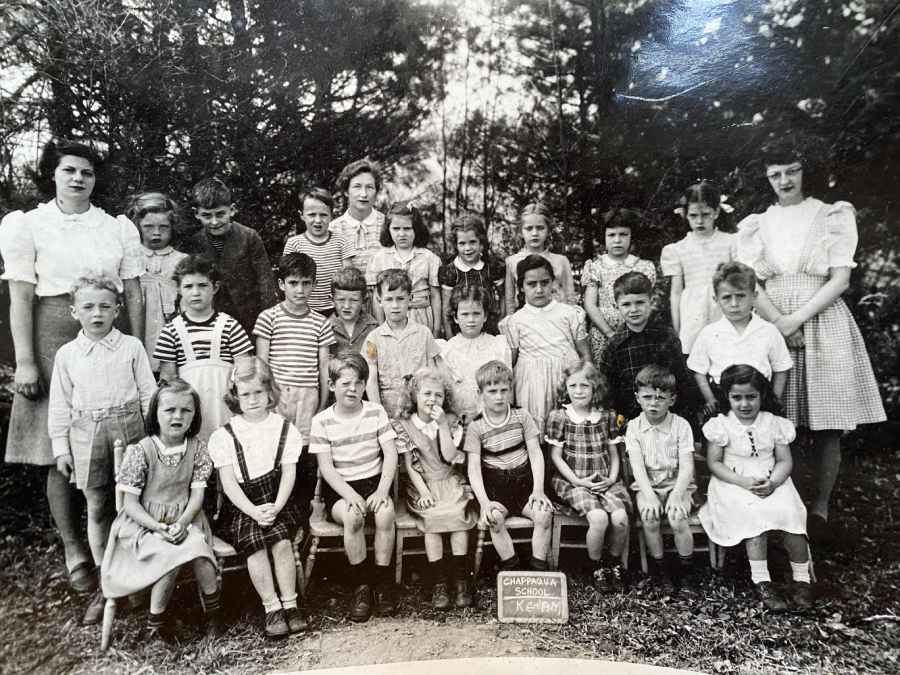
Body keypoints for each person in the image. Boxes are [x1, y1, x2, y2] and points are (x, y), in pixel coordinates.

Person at [0, 139, 144, 596]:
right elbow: (20, 297)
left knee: (118, 444)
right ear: (54, 175)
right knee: (58, 449)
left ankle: (124, 546)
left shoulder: (115, 227)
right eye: (69, 170)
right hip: (50, 335)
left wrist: (135, 348)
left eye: (86, 172)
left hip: (110, 331)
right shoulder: (28, 225)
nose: (79, 178)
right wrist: (26, 361)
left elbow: (134, 294)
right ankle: (74, 549)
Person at [735, 142, 885, 540]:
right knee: (780, 420)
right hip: (772, 321)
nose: (784, 181)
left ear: (805, 172)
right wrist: (780, 322)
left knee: (828, 423)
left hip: (823, 321)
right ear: (766, 178)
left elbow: (840, 278)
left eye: (792, 171)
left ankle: (820, 510)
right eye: (775, 174)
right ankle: (785, 508)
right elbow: (752, 283)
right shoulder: (756, 224)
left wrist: (797, 319)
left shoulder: (832, 215)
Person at [48, 275, 156, 624]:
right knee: (97, 507)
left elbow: (148, 395)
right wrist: (61, 448)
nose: (97, 314)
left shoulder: (131, 347)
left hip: (130, 428)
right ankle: (106, 582)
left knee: (132, 504)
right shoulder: (67, 355)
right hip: (87, 433)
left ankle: (136, 577)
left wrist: (153, 437)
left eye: (105, 306)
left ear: (118, 309)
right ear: (74, 311)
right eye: (88, 307)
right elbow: (60, 406)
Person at [101, 379, 220, 641]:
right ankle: (154, 627)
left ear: (195, 416)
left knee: (200, 553)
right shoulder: (141, 451)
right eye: (169, 410)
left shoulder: (197, 449)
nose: (177, 416)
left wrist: (183, 522)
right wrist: (157, 528)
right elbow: (129, 504)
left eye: (186, 411)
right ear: (155, 413)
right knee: (169, 557)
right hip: (143, 524)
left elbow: (197, 496)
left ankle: (213, 617)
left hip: (184, 520)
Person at [699, 365, 812, 611]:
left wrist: (773, 483)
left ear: (762, 395)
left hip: (771, 478)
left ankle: (802, 580)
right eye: (736, 398)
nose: (744, 404)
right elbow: (714, 464)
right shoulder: (721, 425)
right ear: (726, 397)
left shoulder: (774, 423)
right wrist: (743, 482)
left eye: (751, 397)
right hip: (732, 481)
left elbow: (784, 461)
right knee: (754, 514)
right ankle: (762, 580)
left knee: (791, 512)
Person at [210, 357, 306, 638]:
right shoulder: (225, 435)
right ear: (235, 397)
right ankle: (271, 607)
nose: (252, 400)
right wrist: (253, 511)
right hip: (242, 505)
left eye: (258, 393)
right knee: (255, 544)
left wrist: (276, 506)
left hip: (277, 500)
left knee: (281, 540)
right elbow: (228, 483)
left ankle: (291, 604)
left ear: (269, 393)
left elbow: (288, 474)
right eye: (245, 394)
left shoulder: (284, 429)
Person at [308, 352, 402, 622]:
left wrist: (382, 491)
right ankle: (361, 585)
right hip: (340, 489)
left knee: (385, 513)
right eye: (346, 383)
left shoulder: (375, 412)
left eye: (359, 383)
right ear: (331, 385)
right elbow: (326, 468)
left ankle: (383, 584)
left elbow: (391, 454)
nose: (353, 389)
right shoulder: (322, 421)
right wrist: (349, 495)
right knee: (353, 517)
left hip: (373, 483)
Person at [393, 368, 477, 610]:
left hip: (449, 480)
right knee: (432, 518)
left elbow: (450, 457)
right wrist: (424, 492)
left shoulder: (450, 422)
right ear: (414, 397)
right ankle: (439, 583)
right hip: (423, 485)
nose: (432, 400)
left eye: (438, 395)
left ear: (445, 399)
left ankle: (461, 579)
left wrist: (441, 426)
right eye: (426, 394)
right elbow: (411, 466)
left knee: (457, 515)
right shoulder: (404, 426)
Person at [547, 362, 631, 593]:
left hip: (605, 478)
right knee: (599, 518)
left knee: (621, 518)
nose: (578, 390)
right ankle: (596, 567)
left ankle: (612, 563)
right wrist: (577, 481)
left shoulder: (607, 416)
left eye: (585, 385)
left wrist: (612, 478)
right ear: (565, 388)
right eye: (572, 385)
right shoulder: (559, 417)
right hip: (572, 481)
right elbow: (556, 457)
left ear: (596, 388)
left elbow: (614, 453)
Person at [464, 361, 554, 572]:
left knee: (543, 514)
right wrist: (485, 502)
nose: (499, 396)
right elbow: (474, 469)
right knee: (494, 518)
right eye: (492, 391)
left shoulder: (521, 416)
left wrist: (538, 490)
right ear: (480, 393)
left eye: (504, 390)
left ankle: (538, 568)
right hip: (496, 487)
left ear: (511, 390)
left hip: (525, 484)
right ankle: (511, 568)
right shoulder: (476, 426)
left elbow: (535, 452)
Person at [154, 255, 254, 443]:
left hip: (225, 405)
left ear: (215, 287)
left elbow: (245, 369)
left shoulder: (230, 325)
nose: (196, 292)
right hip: (189, 407)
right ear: (178, 289)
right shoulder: (171, 331)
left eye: (202, 285)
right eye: (188, 287)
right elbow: (167, 380)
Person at [625, 366, 697, 595]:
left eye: (661, 398)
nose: (653, 404)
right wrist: (648, 496)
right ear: (638, 398)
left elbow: (687, 467)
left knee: (677, 518)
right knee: (649, 516)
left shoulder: (681, 425)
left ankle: (686, 571)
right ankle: (660, 569)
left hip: (677, 485)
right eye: (647, 397)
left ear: (672, 400)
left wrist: (676, 496)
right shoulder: (634, 427)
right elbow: (636, 467)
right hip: (648, 486)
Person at [500, 255, 591, 434]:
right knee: (537, 433)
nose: (539, 289)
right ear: (521, 287)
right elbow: (511, 360)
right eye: (532, 284)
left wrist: (586, 381)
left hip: (565, 378)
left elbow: (585, 354)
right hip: (532, 383)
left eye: (545, 282)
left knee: (568, 430)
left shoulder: (569, 313)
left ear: (552, 282)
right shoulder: (515, 320)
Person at [688, 262, 792, 417]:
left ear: (754, 296)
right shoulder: (709, 333)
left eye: (741, 296)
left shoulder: (768, 330)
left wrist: (774, 398)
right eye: (727, 298)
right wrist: (710, 399)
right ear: (716, 299)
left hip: (759, 399)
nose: (734, 304)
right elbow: (698, 370)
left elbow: (781, 366)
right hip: (722, 400)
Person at [254, 253, 335, 442]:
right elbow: (261, 364)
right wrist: (266, 397)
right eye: (293, 283)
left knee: (304, 446)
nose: (300, 290)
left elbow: (324, 366)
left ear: (314, 285)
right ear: (281, 284)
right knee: (274, 443)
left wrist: (322, 404)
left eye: (306, 283)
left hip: (308, 394)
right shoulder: (268, 318)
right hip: (277, 393)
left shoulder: (321, 322)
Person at [182, 177, 278, 336]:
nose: (214, 222)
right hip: (211, 320)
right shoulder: (195, 243)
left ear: (232, 210)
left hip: (250, 318)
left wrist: (268, 321)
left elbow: (265, 280)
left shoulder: (249, 237)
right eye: (207, 215)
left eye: (220, 214)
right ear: (196, 214)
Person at [597, 272, 698, 423]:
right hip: (630, 420)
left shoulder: (667, 337)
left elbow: (682, 379)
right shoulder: (615, 345)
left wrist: (687, 416)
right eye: (626, 304)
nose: (634, 309)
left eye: (640, 302)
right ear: (616, 306)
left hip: (667, 416)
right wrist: (616, 415)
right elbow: (606, 388)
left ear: (651, 301)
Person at [661, 181, 737, 355]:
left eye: (706, 214)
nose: (700, 221)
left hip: (724, 309)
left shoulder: (730, 242)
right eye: (694, 215)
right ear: (686, 215)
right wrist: (678, 327)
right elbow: (676, 292)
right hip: (694, 314)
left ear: (716, 212)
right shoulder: (679, 249)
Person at [582, 208, 658, 362]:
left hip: (637, 332)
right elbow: (590, 304)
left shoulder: (643, 267)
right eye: (611, 235)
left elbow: (648, 303)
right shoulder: (595, 267)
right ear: (604, 237)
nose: (617, 240)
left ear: (631, 236)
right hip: (603, 335)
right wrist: (610, 334)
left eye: (623, 234)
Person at [362, 269, 440, 417]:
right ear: (379, 301)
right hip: (389, 412)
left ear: (410, 299)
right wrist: (380, 415)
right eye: (389, 299)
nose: (395, 305)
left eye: (400, 299)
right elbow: (371, 381)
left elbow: (433, 375)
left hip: (420, 412)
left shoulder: (424, 333)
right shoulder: (373, 339)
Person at [126, 192, 189, 374]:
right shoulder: (129, 258)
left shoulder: (182, 260)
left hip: (169, 330)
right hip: (138, 329)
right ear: (137, 225)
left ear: (173, 227)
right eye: (148, 227)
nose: (156, 232)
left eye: (163, 227)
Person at [437, 284, 512, 422]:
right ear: (455, 317)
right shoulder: (447, 350)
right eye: (465, 314)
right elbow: (445, 392)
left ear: (485, 316)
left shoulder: (498, 346)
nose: (471, 320)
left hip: (493, 417)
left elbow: (506, 387)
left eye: (476, 313)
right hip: (460, 417)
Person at [365, 202, 441, 337]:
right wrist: (381, 326)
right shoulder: (379, 258)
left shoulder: (429, 258)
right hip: (391, 317)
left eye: (407, 228)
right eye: (396, 228)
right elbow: (376, 298)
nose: (401, 234)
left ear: (416, 229)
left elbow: (435, 296)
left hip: (421, 315)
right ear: (388, 229)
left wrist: (436, 329)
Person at [283, 187, 354, 317]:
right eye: (311, 215)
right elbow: (289, 280)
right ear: (301, 215)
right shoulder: (294, 244)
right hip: (303, 310)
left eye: (323, 215)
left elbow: (348, 282)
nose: (318, 220)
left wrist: (339, 311)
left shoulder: (342, 242)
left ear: (331, 216)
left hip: (335, 311)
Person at [504, 203, 577, 316]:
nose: (535, 233)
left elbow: (570, 298)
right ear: (521, 232)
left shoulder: (561, 261)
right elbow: (510, 300)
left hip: (558, 319)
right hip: (526, 321)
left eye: (540, 228)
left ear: (548, 231)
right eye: (528, 228)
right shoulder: (512, 262)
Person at [438, 215, 505, 336]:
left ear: (481, 242)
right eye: (462, 243)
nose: (468, 248)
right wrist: (449, 336)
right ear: (455, 245)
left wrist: (500, 322)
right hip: (461, 329)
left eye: (473, 242)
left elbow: (502, 296)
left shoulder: (491, 267)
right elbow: (446, 308)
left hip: (489, 328)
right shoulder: (450, 271)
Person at [329, 159, 385, 275]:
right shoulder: (332, 229)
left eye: (369, 187)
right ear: (346, 191)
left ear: (376, 191)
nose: (364, 194)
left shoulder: (388, 225)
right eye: (357, 187)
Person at [327, 267, 379, 357]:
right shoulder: (326, 329)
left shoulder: (373, 328)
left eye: (354, 300)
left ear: (364, 301)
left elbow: (373, 360)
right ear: (332, 300)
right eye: (341, 300)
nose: (347, 306)